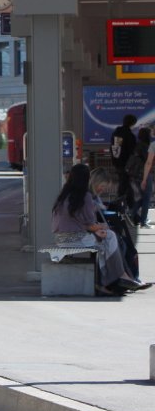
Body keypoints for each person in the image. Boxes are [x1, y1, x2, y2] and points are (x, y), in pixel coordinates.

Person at [51, 164, 147, 296]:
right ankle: (118, 276)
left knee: (105, 240)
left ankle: (111, 279)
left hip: (60, 239)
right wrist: (102, 227)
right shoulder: (85, 196)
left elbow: (76, 222)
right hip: (76, 238)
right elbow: (91, 224)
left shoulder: (63, 195)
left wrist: (96, 230)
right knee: (111, 236)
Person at [110, 113, 137, 207]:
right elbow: (132, 152)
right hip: (126, 164)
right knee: (124, 184)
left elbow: (114, 148)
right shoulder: (130, 135)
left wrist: (115, 160)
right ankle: (119, 205)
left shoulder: (116, 133)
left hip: (117, 162)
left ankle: (130, 206)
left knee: (125, 183)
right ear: (133, 123)